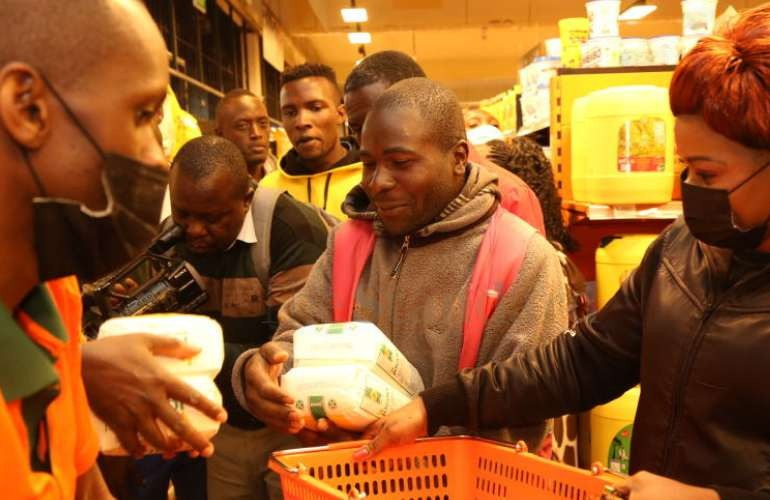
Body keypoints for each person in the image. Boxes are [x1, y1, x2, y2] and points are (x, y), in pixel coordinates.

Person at [359, 3, 770, 499]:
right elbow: (584, 361)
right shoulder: (682, 250)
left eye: (709, 173)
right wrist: (437, 405)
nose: (689, 189)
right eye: (686, 168)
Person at [235, 78, 567, 451]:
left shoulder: (522, 259)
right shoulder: (348, 244)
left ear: (458, 157)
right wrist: (262, 375)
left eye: (401, 163)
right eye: (368, 164)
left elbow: (523, 401)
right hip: (353, 482)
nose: (379, 182)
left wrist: (395, 442)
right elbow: (299, 338)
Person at [0, 0, 226, 497]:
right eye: (143, 115)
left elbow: (82, 484)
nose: (158, 154)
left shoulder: (52, 294)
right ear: (28, 107)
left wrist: (79, 366)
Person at [168, 136, 328, 499]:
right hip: (222, 421)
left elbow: (293, 351)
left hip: (289, 420)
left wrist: (188, 351)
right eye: (183, 214)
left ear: (246, 197)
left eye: (211, 218)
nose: (193, 230)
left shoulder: (292, 231)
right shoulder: (172, 237)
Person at [343, 50, 547, 234]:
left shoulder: (509, 195)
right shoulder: (370, 193)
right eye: (357, 128)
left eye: (383, 117)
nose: (368, 137)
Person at [260, 63, 361, 221]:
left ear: (341, 114)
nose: (301, 122)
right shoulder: (268, 190)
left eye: (315, 108)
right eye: (290, 112)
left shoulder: (369, 181)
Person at [215, 89, 271, 182]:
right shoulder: (210, 187)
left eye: (263, 123)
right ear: (220, 135)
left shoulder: (286, 180)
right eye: (243, 126)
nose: (256, 134)